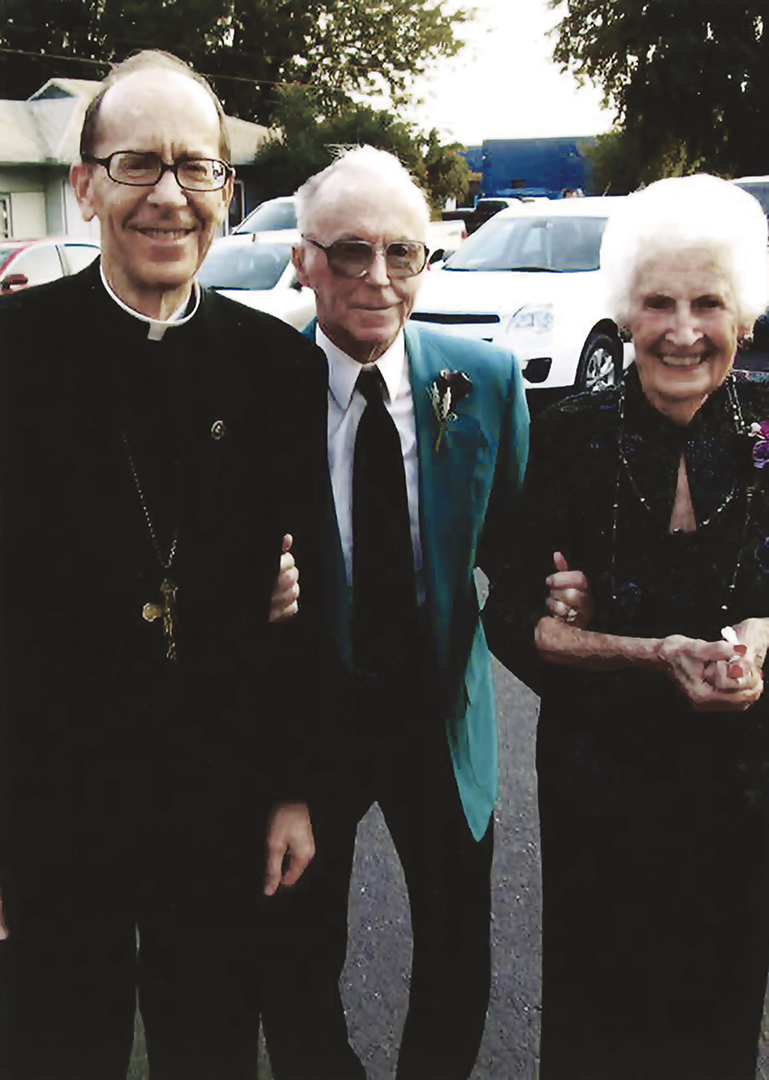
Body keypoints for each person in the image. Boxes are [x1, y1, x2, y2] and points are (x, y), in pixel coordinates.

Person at [0, 50, 326, 1080]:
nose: (170, 196)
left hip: (218, 792)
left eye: (197, 167)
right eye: (139, 163)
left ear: (226, 193)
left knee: (212, 1046)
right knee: (56, 1045)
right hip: (50, 793)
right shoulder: (13, 354)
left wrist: (289, 789)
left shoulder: (277, 368)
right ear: (86, 183)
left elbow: (306, 597)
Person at [484, 174, 769, 1079]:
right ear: (623, 315)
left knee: (717, 1009)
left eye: (707, 303)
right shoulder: (567, 436)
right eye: (657, 303)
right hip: (599, 780)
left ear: (746, 319)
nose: (682, 330)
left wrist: (757, 640)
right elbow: (506, 617)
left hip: (740, 785)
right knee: (597, 1012)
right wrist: (640, 651)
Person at [258, 146, 529, 1080]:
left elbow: (518, 554)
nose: (378, 279)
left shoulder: (482, 384)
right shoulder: (257, 392)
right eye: (350, 253)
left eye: (401, 253)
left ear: (427, 258)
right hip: (310, 724)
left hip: (436, 716)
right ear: (305, 259)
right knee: (293, 955)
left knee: (458, 950)